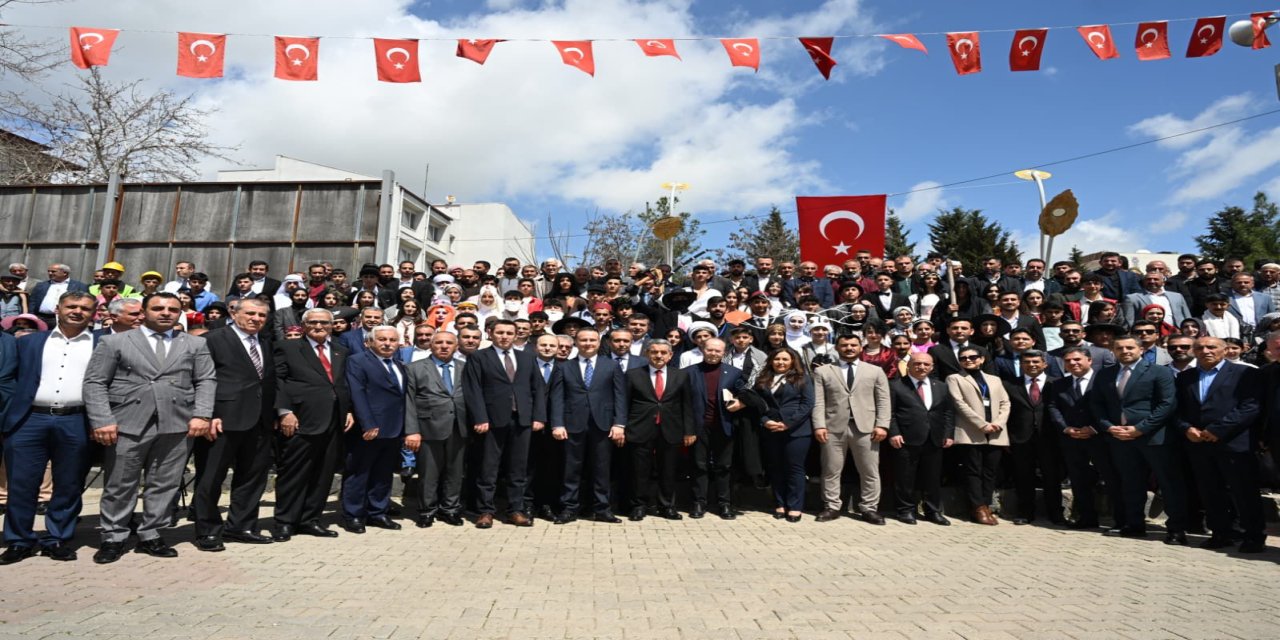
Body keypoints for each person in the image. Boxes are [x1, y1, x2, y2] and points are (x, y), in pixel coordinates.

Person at [83, 292, 217, 564]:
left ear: (180, 313)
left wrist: (202, 414)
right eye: (158, 308)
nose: (165, 313)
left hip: (177, 422)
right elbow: (95, 382)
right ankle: (114, 536)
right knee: (120, 484)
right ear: (144, 311)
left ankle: (151, 534)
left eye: (172, 309)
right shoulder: (114, 342)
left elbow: (206, 379)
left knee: (164, 483)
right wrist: (102, 420)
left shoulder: (194, 343)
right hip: (127, 422)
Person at [0, 292, 97, 564]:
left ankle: (57, 538)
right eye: (71, 306)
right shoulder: (29, 342)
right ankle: (19, 540)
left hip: (77, 419)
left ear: (94, 314)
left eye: (85, 308)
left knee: (69, 483)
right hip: (29, 419)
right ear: (58, 308)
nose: (77, 311)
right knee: (21, 483)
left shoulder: (102, 343)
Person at [192, 298, 278, 552]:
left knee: (252, 477)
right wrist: (207, 414)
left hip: (260, 420)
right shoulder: (213, 339)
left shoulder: (265, 341)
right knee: (211, 477)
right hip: (221, 420)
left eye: (262, 315)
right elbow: (200, 379)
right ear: (234, 312)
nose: (256, 319)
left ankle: (241, 526)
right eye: (250, 313)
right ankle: (207, 530)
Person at [1090, 333, 1185, 543]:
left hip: (1153, 437)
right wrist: (1108, 427)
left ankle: (1176, 529)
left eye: (1129, 348)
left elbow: (1167, 404)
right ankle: (1134, 525)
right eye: (1120, 348)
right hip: (1120, 438)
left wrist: (1141, 428)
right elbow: (1097, 404)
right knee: (1130, 483)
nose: (1125, 351)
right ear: (1113, 351)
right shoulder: (1105, 374)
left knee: (1168, 483)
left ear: (1141, 349)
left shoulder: (1159, 371)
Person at [1174, 336, 1265, 553]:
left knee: (1244, 491)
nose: (1205, 350)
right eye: (1200, 347)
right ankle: (1220, 533)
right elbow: (1177, 409)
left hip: (1234, 443)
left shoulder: (1246, 374)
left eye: (1211, 347)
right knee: (1210, 491)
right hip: (1199, 444)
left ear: (1225, 350)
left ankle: (1253, 535)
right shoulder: (1185, 377)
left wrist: (1218, 430)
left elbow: (1250, 407)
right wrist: (1186, 428)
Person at [271, 308, 354, 542]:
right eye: (314, 322)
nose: (319, 326)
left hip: (334, 421)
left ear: (332, 325)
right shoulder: (287, 347)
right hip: (300, 420)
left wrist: (348, 410)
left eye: (325, 323)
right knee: (293, 473)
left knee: (323, 474)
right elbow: (279, 381)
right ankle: (285, 521)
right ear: (304, 325)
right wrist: (284, 411)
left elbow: (342, 384)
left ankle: (310, 520)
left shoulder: (340, 350)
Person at [461, 319, 547, 528]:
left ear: (516, 335)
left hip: (522, 420)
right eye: (500, 332)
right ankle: (485, 511)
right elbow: (473, 390)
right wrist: (480, 418)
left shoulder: (527, 358)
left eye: (510, 333)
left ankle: (515, 510)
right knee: (488, 467)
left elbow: (538, 389)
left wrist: (538, 417)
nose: (505, 336)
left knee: (518, 467)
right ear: (491, 333)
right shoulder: (479, 357)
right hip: (491, 421)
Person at [547, 327, 627, 524]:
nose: (588, 343)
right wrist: (557, 423)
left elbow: (620, 396)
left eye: (592, 340)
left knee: (601, 469)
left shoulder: (611, 366)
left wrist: (619, 424)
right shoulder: (564, 367)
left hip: (603, 425)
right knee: (571, 468)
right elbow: (557, 397)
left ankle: (602, 509)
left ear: (599, 343)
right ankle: (569, 508)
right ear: (576, 342)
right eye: (583, 340)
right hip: (572, 424)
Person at [811, 333, 892, 525]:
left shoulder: (875, 371)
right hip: (833, 428)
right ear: (837, 348)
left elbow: (883, 400)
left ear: (860, 347)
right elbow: (818, 402)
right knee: (831, 469)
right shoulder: (823, 371)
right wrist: (819, 425)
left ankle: (869, 508)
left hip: (867, 428)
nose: (849, 348)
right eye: (844, 345)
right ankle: (831, 506)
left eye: (853, 345)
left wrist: (882, 425)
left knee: (869, 470)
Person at [1046, 347, 1123, 530]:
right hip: (1072, 439)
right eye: (1068, 361)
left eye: (1077, 359)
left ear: (1089, 360)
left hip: (1101, 438)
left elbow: (1112, 406)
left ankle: (1122, 519)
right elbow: (1053, 407)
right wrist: (1065, 428)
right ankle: (1087, 518)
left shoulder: (1104, 380)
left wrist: (1096, 428)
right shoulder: (1058, 384)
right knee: (1078, 480)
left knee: (1111, 478)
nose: (1073, 363)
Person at [341, 326, 407, 533]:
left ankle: (377, 512)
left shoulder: (399, 364)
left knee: (383, 473)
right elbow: (357, 393)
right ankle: (353, 515)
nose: (388, 343)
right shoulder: (357, 361)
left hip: (394, 428)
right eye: (382, 339)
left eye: (392, 340)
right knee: (359, 473)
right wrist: (368, 423)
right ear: (369, 342)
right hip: (369, 428)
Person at [623, 339, 696, 521]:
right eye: (654, 352)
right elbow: (624, 403)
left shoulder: (680, 375)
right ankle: (639, 506)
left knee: (668, 470)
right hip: (640, 427)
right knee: (639, 470)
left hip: (670, 428)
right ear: (647, 354)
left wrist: (689, 431)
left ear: (670, 355)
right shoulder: (633, 374)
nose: (659, 356)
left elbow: (687, 405)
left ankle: (667, 506)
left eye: (663, 352)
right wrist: (622, 427)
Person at [403, 330, 469, 528]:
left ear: (456, 346)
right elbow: (409, 401)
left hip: (459, 427)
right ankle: (427, 511)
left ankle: (450, 509)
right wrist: (412, 430)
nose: (444, 346)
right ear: (431, 345)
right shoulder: (414, 368)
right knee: (429, 473)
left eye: (449, 343)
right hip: (428, 428)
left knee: (455, 472)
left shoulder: (465, 367)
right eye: (439, 342)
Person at [886, 352, 954, 526]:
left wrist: (948, 435)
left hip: (934, 438)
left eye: (926, 364)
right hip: (906, 438)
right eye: (917, 364)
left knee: (932, 478)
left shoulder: (941, 386)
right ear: (908, 365)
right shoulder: (896, 385)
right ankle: (905, 510)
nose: (921, 367)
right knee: (905, 478)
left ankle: (933, 511)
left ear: (931, 367)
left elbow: (948, 413)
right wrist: (894, 432)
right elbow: (890, 412)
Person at [946, 345, 1011, 525]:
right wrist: (982, 425)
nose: (968, 360)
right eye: (963, 358)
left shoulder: (994, 379)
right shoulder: (955, 378)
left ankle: (986, 504)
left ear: (982, 359)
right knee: (973, 471)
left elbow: (1005, 402)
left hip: (996, 432)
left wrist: (998, 422)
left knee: (990, 472)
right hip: (970, 432)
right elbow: (959, 404)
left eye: (973, 357)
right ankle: (977, 507)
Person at [683, 337, 746, 519]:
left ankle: (724, 503)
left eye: (718, 351)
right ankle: (699, 502)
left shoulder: (734, 372)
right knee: (699, 465)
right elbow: (684, 403)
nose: (713, 354)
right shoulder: (688, 372)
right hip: (698, 427)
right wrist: (688, 429)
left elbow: (744, 393)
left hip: (724, 426)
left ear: (724, 353)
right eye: (710, 350)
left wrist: (740, 402)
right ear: (702, 350)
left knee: (724, 466)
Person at [1001, 349, 1064, 525]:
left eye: (1036, 362)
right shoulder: (1010, 385)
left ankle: (1056, 513)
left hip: (1050, 438)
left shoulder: (1057, 383)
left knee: (1052, 477)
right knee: (1023, 476)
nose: (1031, 365)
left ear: (1045, 364)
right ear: (1021, 365)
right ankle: (1025, 512)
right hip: (1020, 437)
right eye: (1027, 362)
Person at [752, 346, 813, 523]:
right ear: (771, 361)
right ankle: (780, 503)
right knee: (775, 467)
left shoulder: (803, 379)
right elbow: (757, 404)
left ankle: (795, 506)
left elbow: (807, 404)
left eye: (785, 359)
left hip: (796, 431)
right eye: (777, 359)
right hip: (770, 429)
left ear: (793, 361)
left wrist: (788, 423)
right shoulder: (763, 379)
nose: (781, 362)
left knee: (795, 469)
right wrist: (765, 421)